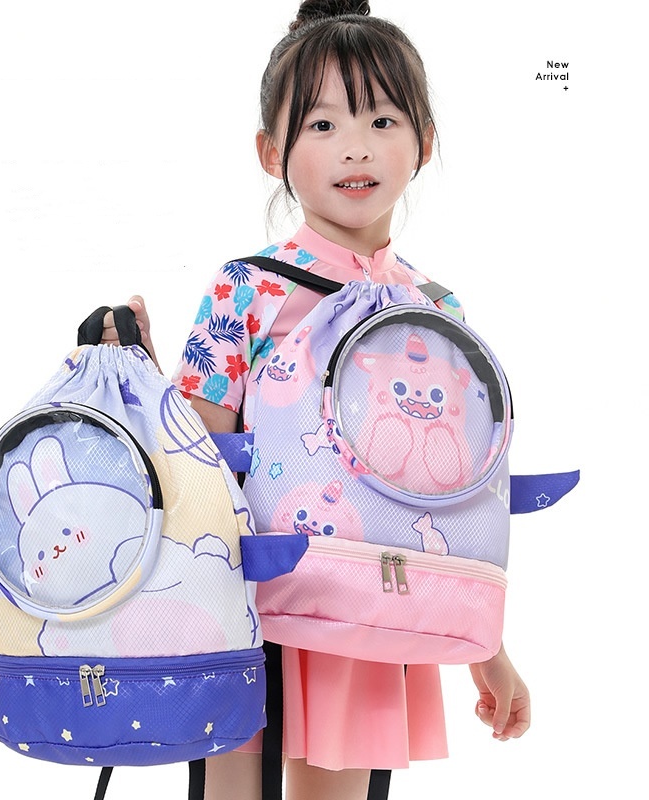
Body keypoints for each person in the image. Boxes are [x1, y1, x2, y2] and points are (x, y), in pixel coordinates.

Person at [101, 2, 530, 798]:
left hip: (370, 605)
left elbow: (445, 502)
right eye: (323, 124)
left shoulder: (436, 313)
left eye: (382, 120)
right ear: (272, 151)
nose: (355, 146)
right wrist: (135, 380)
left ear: (424, 142)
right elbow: (196, 464)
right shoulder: (248, 289)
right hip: (248, 604)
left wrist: (486, 648)